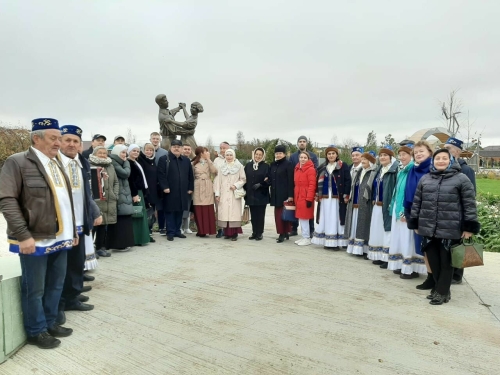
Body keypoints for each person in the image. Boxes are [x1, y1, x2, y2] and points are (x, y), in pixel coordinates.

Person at [0, 118, 76, 349]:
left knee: (55, 284)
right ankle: (36, 330)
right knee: (35, 288)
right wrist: (23, 235)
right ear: (36, 138)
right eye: (53, 138)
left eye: (59, 138)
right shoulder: (18, 162)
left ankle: (50, 322)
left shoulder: (57, 163)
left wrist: (73, 231)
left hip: (61, 236)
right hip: (35, 237)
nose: (58, 143)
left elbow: (64, 200)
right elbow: (7, 198)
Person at [408, 148, 480, 305]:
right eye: (437, 158)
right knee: (433, 260)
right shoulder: (426, 179)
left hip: (450, 228)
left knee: (446, 262)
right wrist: (415, 222)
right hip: (428, 227)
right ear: (433, 161)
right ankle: (440, 289)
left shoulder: (461, 179)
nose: (440, 161)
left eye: (444, 158)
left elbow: (469, 205)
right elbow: (417, 203)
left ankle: (441, 292)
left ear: (450, 161)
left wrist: (469, 227)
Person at [57, 125, 102, 324]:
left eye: (76, 141)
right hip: (60, 224)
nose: (72, 144)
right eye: (68, 140)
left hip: (79, 222)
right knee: (60, 266)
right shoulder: (54, 163)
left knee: (76, 263)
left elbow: (86, 193)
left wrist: (94, 212)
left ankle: (72, 297)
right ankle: (59, 303)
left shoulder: (82, 162)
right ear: (59, 141)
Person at [387, 143, 425, 278]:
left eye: (405, 154)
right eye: (400, 154)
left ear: (411, 156)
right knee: (399, 237)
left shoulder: (412, 170)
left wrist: (405, 210)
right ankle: (402, 263)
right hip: (398, 207)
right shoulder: (402, 169)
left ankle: (411, 268)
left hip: (406, 209)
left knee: (408, 238)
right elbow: (397, 190)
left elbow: (411, 192)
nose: (401, 157)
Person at [444, 136, 477, 285]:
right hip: (447, 214)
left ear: (457, 151)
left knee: (458, 245)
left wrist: (467, 221)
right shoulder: (444, 167)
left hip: (459, 214)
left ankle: (457, 275)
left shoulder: (466, 170)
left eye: (449, 149)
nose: (446, 151)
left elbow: (470, 196)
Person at [403, 140, 433, 290]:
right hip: (417, 215)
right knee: (424, 248)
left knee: (435, 249)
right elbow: (407, 194)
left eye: (422, 151)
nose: (418, 154)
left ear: (429, 152)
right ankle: (430, 277)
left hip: (433, 216)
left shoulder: (434, 169)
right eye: (416, 152)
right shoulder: (412, 171)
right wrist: (410, 216)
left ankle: (440, 281)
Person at [311, 145, 351, 250]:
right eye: (329, 154)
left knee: (336, 218)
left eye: (333, 153)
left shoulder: (343, 166)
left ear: (337, 154)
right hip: (324, 197)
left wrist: (346, 194)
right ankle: (327, 240)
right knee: (325, 217)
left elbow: (348, 181)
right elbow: (317, 182)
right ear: (326, 155)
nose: (331, 155)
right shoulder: (322, 167)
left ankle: (336, 242)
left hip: (337, 198)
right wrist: (316, 194)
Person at [157, 139, 194, 241]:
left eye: (178, 147)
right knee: (169, 211)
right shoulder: (164, 159)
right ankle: (170, 232)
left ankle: (178, 231)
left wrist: (190, 187)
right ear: (171, 148)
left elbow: (190, 175)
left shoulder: (186, 160)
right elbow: (161, 175)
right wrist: (164, 187)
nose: (176, 148)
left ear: (181, 148)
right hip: (169, 191)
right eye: (174, 147)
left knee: (180, 211)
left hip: (183, 190)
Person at [368, 146, 398, 267]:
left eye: (385, 155)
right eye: (381, 155)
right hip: (377, 205)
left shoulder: (394, 170)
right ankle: (379, 254)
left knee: (387, 230)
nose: (382, 157)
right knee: (378, 230)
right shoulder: (380, 169)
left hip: (387, 205)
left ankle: (387, 257)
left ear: (391, 157)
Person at [89, 146, 119, 257]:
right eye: (100, 153)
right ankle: (90, 250)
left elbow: (116, 182)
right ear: (95, 154)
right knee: (95, 225)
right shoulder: (90, 164)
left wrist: (115, 195)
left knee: (104, 225)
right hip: (96, 200)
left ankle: (100, 247)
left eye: (104, 153)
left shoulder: (110, 166)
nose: (102, 155)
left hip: (109, 200)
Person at [345, 152, 377, 257]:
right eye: (362, 159)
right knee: (355, 225)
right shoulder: (359, 171)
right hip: (355, 202)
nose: (362, 161)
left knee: (364, 226)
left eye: (365, 160)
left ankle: (364, 249)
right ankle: (354, 247)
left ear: (371, 162)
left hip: (365, 204)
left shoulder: (373, 172)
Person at [213, 148, 246, 241]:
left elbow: (243, 179)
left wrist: (236, 185)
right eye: (227, 155)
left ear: (234, 156)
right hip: (224, 194)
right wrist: (217, 194)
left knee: (233, 213)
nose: (229, 157)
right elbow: (217, 181)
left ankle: (234, 233)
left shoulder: (239, 166)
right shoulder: (221, 166)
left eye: (231, 155)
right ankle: (227, 233)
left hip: (234, 194)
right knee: (225, 213)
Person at [107, 145, 135, 251]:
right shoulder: (114, 162)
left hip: (124, 194)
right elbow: (125, 173)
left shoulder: (121, 162)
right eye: (122, 152)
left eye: (125, 153)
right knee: (119, 221)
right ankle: (118, 244)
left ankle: (125, 243)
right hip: (118, 195)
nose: (125, 155)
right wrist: (127, 162)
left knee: (125, 220)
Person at [290, 135, 318, 237]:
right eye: (300, 141)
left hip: (306, 189)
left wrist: (310, 195)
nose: (302, 143)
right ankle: (294, 228)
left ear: (306, 143)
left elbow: (315, 173)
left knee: (307, 212)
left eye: (304, 141)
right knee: (298, 211)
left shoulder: (313, 156)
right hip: (297, 188)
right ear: (297, 143)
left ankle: (310, 230)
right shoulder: (293, 157)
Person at [268, 144, 295, 243]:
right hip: (275, 193)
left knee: (284, 214)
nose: (278, 155)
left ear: (284, 154)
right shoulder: (273, 164)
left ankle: (283, 233)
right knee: (278, 214)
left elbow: (290, 181)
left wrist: (291, 195)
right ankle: (282, 232)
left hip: (284, 193)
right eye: (277, 153)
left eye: (280, 153)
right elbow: (270, 178)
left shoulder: (288, 164)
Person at [127, 144, 152, 246]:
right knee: (137, 215)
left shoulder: (135, 162)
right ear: (129, 152)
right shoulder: (129, 163)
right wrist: (134, 194)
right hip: (136, 192)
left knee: (141, 214)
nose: (136, 153)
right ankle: (137, 239)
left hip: (140, 191)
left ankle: (143, 237)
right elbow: (131, 180)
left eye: (137, 151)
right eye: (134, 151)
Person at [244, 147, 270, 240]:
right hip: (251, 194)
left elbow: (269, 180)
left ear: (263, 156)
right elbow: (244, 179)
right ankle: (254, 232)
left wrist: (261, 184)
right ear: (254, 155)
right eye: (256, 154)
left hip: (261, 194)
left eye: (260, 155)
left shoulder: (266, 166)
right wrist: (244, 190)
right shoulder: (248, 165)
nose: (258, 156)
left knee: (260, 215)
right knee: (253, 215)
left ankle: (260, 233)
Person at [191, 147, 218, 237]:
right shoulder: (193, 163)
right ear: (201, 153)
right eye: (206, 151)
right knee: (198, 208)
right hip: (198, 185)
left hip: (207, 185)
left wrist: (209, 159)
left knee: (208, 207)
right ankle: (201, 230)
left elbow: (214, 171)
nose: (207, 152)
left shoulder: (209, 162)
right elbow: (191, 176)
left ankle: (209, 229)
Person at [294, 152, 317, 246]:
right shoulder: (297, 169)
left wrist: (309, 198)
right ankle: (304, 236)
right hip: (298, 195)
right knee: (301, 216)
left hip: (306, 196)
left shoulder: (310, 169)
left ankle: (307, 237)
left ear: (308, 159)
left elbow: (312, 185)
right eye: (301, 157)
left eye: (305, 157)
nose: (302, 159)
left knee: (305, 217)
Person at [138, 142, 161, 239]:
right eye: (147, 150)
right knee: (146, 210)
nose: (149, 152)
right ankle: (145, 229)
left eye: (151, 150)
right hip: (145, 190)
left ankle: (150, 228)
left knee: (152, 210)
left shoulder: (153, 161)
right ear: (143, 150)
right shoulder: (141, 161)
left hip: (153, 190)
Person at [150, 132, 169, 235]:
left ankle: (162, 227)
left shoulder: (164, 152)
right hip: (150, 184)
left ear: (160, 140)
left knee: (161, 207)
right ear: (150, 139)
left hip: (160, 183)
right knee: (151, 207)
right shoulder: (145, 152)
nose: (155, 140)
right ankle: (150, 227)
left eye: (157, 138)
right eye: (153, 138)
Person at [214, 141, 231, 238]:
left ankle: (228, 229)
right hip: (218, 189)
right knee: (219, 210)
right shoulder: (217, 160)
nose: (222, 150)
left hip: (229, 189)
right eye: (221, 148)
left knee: (228, 210)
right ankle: (220, 229)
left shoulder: (233, 159)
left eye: (224, 148)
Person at [181, 144, 194, 234]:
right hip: (180, 188)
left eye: (188, 149)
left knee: (188, 208)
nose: (187, 151)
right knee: (181, 208)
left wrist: (191, 187)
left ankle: (186, 227)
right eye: (185, 149)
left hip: (189, 188)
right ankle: (180, 227)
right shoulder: (179, 160)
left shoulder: (192, 161)